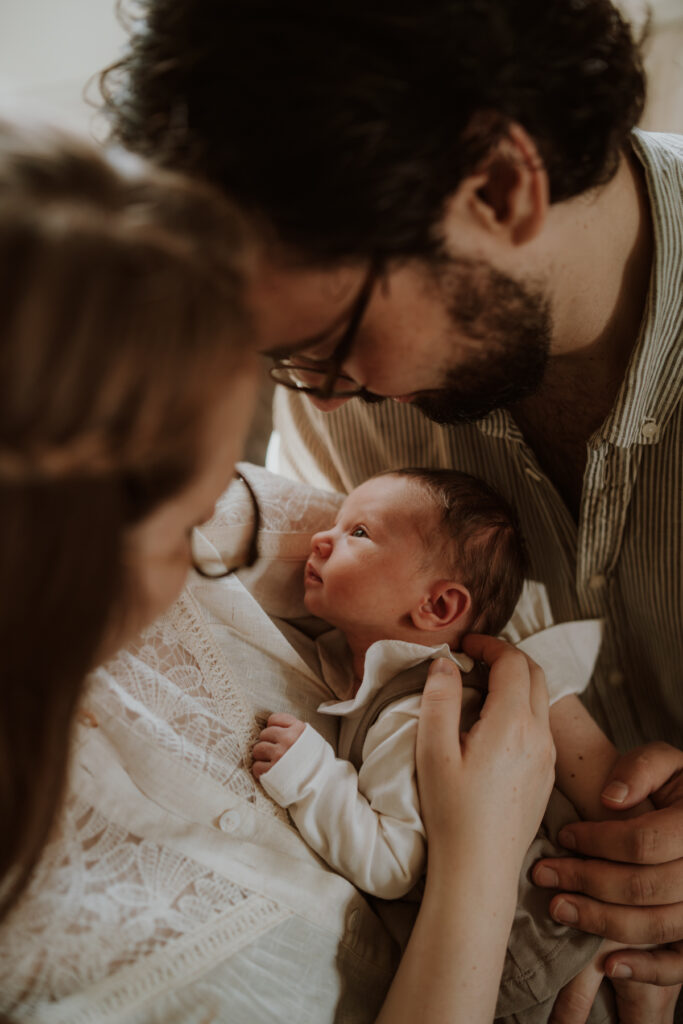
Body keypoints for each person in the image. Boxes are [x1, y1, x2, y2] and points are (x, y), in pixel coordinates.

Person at [102, 0, 683, 1005]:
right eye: (282, 356)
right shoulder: (359, 396)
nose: (319, 397)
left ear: (501, 188)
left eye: (327, 340)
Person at [0, 119, 556, 1023]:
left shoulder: (240, 527)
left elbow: (461, 591)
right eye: (188, 520)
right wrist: (481, 873)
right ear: (53, 545)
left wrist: (573, 750)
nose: (225, 546)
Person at [251, 467, 677, 1021]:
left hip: (533, 973)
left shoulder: (420, 711)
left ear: (439, 608)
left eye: (359, 533)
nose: (321, 538)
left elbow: (393, 863)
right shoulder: (438, 684)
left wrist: (311, 776)